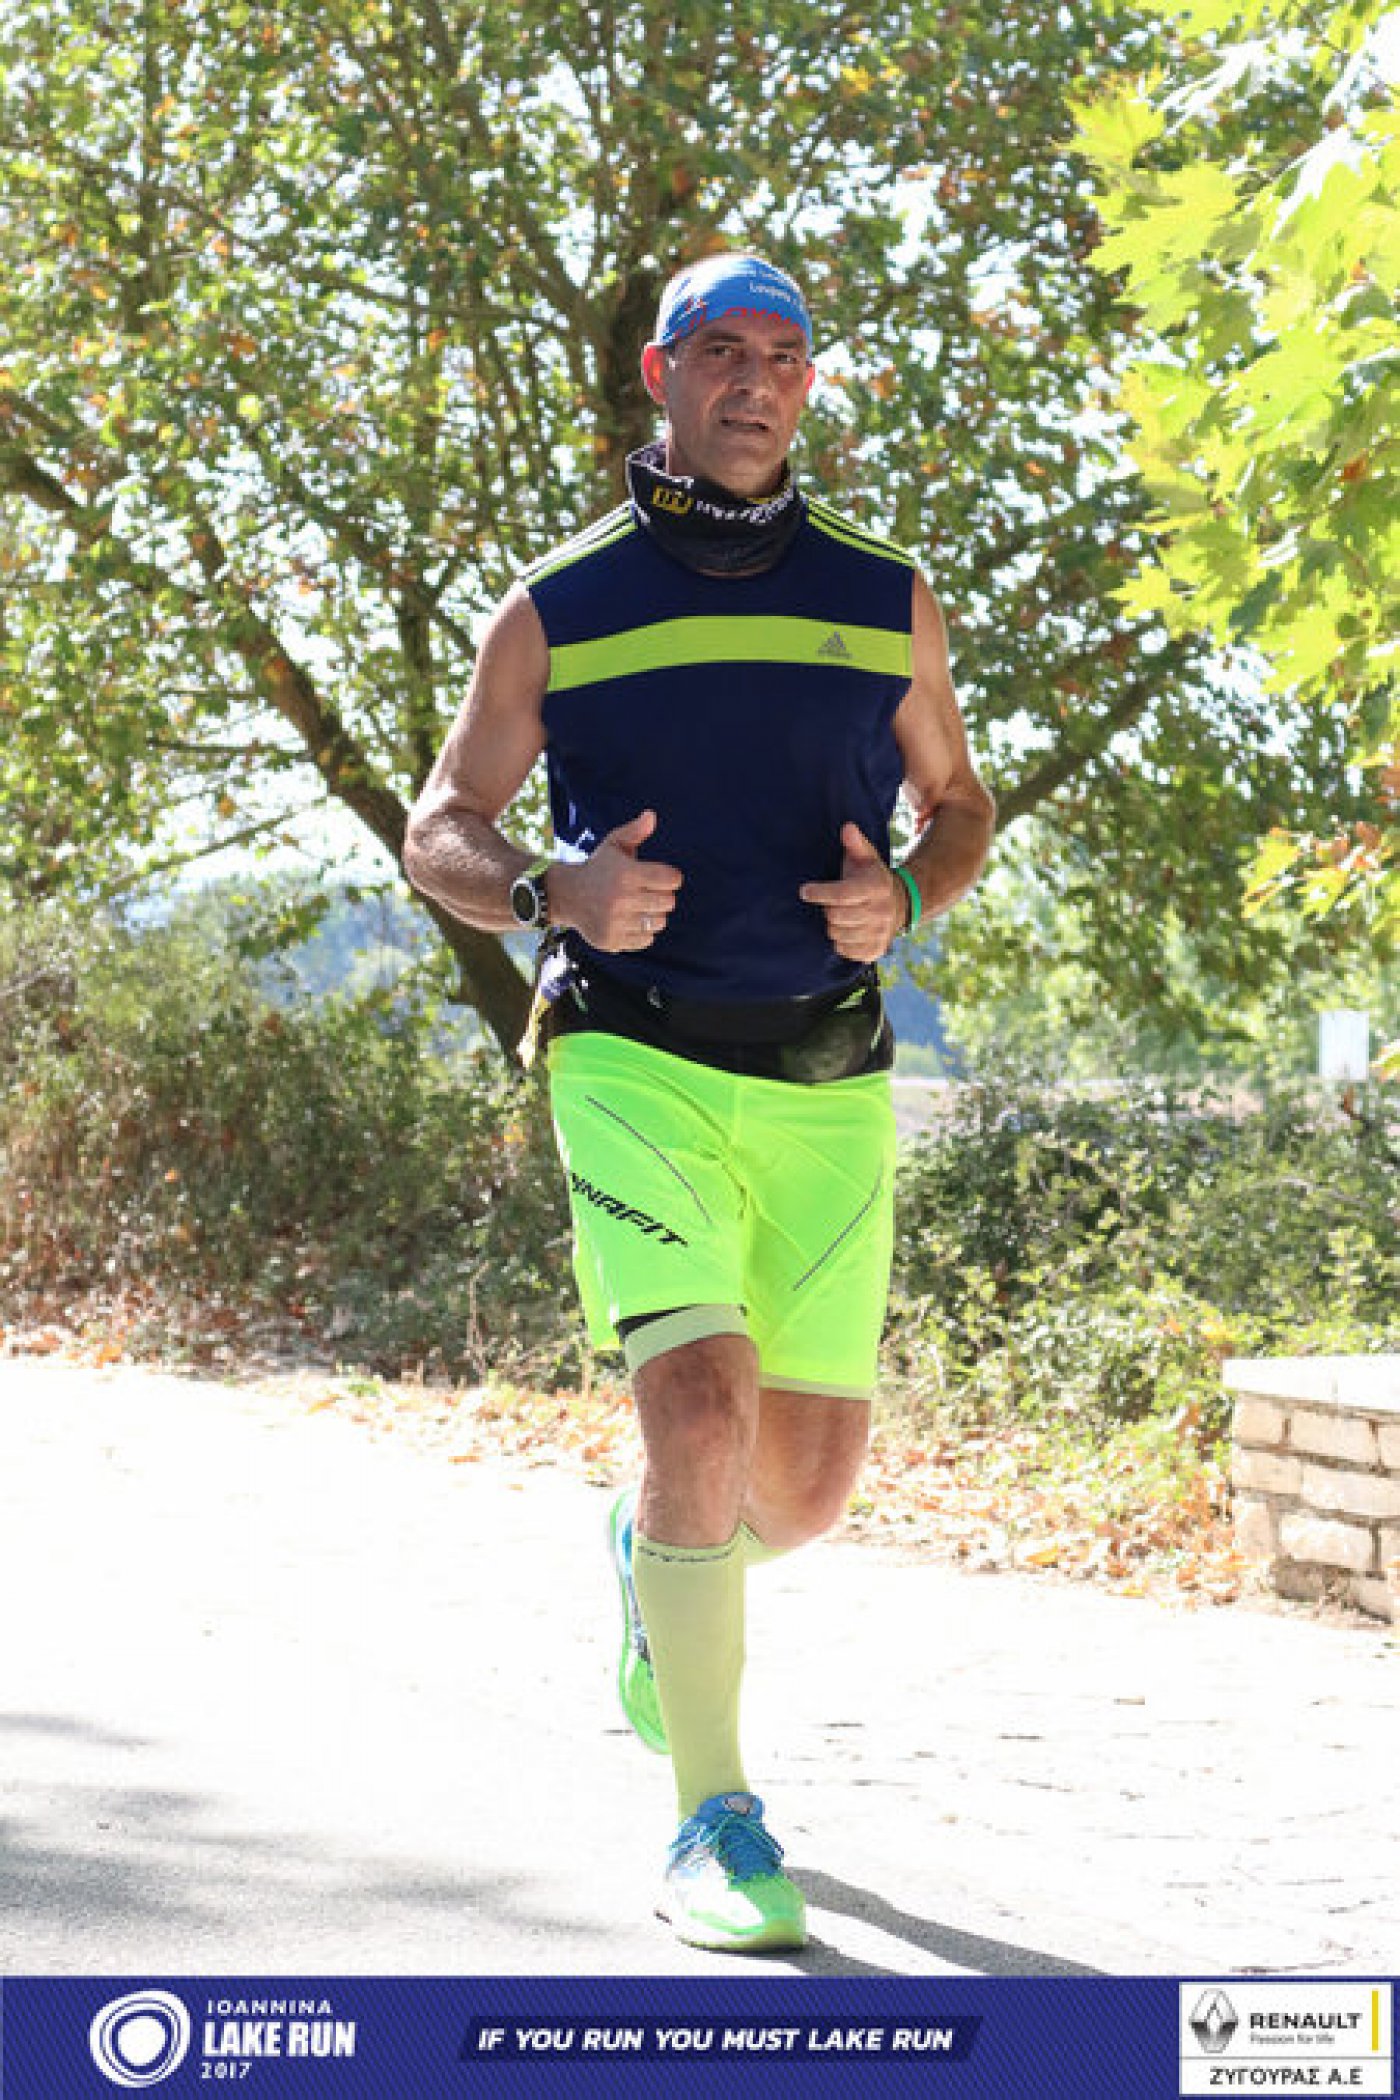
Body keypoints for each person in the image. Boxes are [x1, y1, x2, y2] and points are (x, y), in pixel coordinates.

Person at [404, 252, 994, 1955]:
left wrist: (912, 897)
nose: (756, 380)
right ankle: (715, 1820)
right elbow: (442, 825)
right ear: (662, 376)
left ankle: (645, 1560)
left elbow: (959, 805)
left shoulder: (886, 594)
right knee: (699, 1408)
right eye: (721, 350)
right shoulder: (558, 604)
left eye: (785, 355)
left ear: (809, 386)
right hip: (632, 1052)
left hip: (825, 1072)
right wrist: (552, 896)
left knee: (797, 1497)